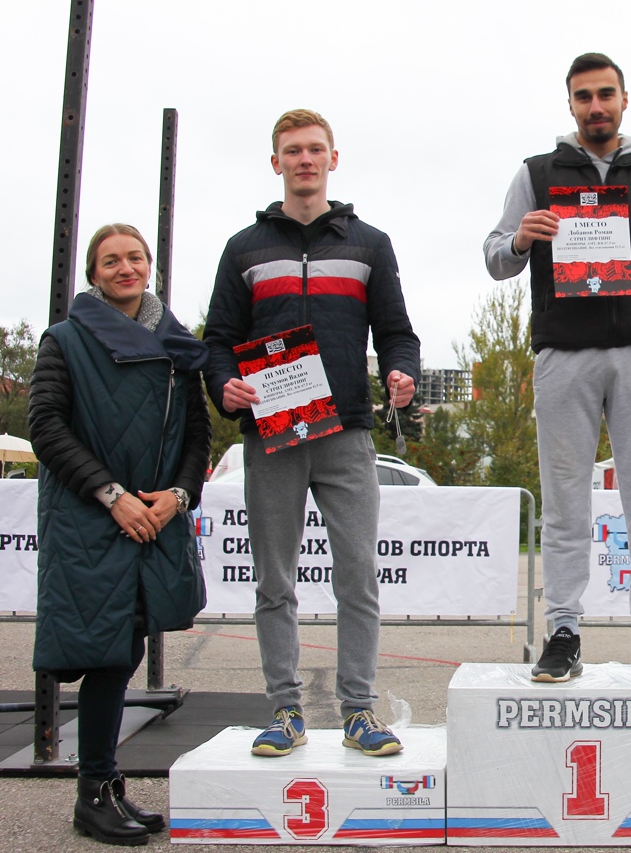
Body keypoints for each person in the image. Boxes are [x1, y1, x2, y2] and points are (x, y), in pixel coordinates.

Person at [483, 53, 631, 684]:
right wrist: (522, 239)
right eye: (583, 96)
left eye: (605, 94)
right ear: (570, 105)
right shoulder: (536, 173)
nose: (595, 106)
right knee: (565, 503)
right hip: (564, 355)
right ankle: (563, 630)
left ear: (624, 100)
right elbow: (495, 257)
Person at [204, 109, 420, 757]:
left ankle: (359, 711)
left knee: (358, 578)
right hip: (270, 433)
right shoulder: (244, 248)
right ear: (276, 162)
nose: (304, 159)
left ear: (333, 158)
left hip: (346, 432)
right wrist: (224, 385)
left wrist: (403, 374)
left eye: (315, 149)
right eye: (293, 150)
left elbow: (398, 332)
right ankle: (285, 711)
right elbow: (217, 341)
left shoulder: (369, 244)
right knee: (274, 582)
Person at [29, 224, 210, 845]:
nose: (125, 268)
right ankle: (93, 793)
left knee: (125, 648)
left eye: (134, 257)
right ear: (93, 274)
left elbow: (196, 436)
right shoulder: (64, 340)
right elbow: (45, 427)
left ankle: (105, 785)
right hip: (92, 517)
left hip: (152, 517)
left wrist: (177, 497)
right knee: (106, 654)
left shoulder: (178, 346)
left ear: (149, 265)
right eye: (111, 261)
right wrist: (112, 495)